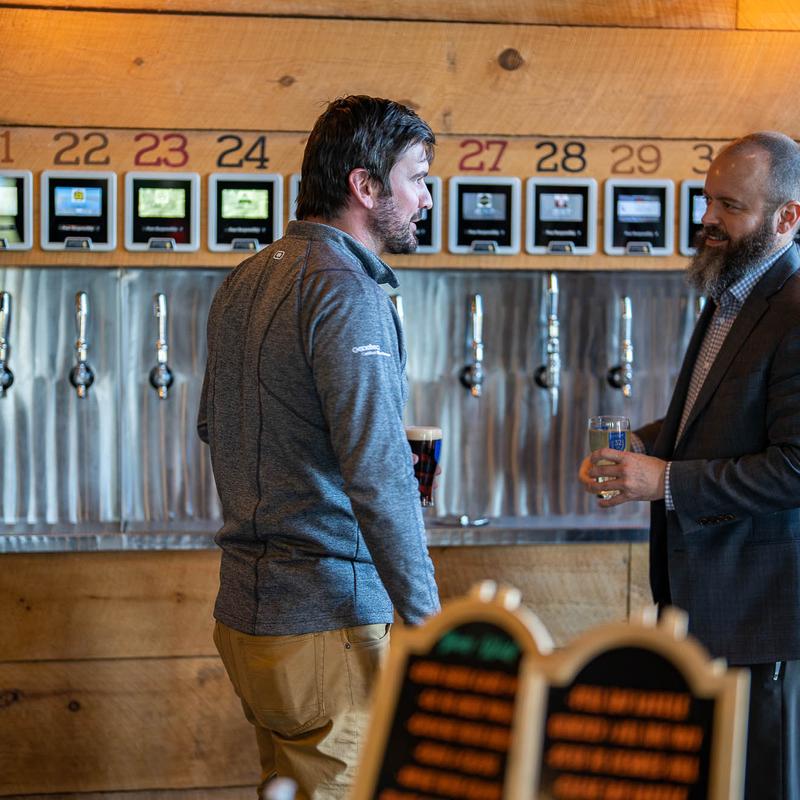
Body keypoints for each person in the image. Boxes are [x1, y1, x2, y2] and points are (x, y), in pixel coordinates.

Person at [197, 95, 441, 799]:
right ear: (365, 186)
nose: (426, 199)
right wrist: (431, 627)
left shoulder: (247, 278)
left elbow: (216, 426)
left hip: (249, 622)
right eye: (417, 178)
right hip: (327, 625)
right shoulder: (348, 290)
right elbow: (379, 474)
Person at [579, 131, 800, 799]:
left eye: (730, 206)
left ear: (787, 217)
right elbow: (712, 422)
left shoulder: (794, 310)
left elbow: (795, 467)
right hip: (705, 611)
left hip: (761, 619)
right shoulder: (729, 294)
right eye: (707, 200)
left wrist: (665, 481)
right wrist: (643, 445)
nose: (708, 219)